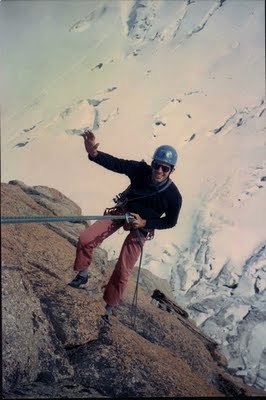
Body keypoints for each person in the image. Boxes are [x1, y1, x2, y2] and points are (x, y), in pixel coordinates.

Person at [68, 129, 182, 322]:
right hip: (123, 212)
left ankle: (109, 307)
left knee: (123, 269)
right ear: (152, 164)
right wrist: (94, 154)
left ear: (171, 170)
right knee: (86, 238)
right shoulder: (140, 170)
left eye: (165, 168)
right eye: (156, 165)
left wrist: (145, 222)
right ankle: (83, 274)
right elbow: (116, 163)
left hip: (141, 228)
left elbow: (170, 222)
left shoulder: (173, 196)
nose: (159, 171)